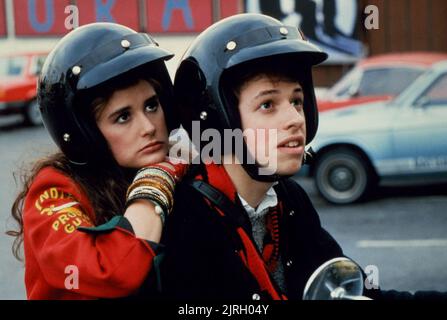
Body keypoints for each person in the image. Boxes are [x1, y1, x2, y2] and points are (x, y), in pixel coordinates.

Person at [157, 13, 447, 300]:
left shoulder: (287, 199)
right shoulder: (188, 220)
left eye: (297, 100)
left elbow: (352, 292)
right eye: (268, 104)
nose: (295, 118)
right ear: (218, 119)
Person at [8, 22, 186, 300]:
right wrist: (156, 181)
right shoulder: (54, 189)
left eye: (152, 105)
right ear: (85, 134)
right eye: (123, 117)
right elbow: (113, 270)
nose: (149, 126)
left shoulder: (182, 162)